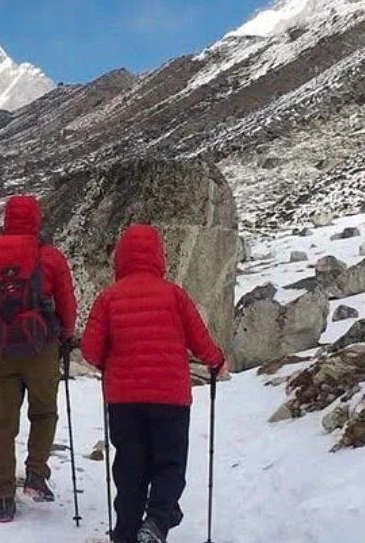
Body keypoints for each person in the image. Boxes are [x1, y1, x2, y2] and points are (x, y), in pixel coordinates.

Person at [81, 224, 227, 543]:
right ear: (158, 257)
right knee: (170, 463)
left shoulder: (108, 298)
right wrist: (216, 360)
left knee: (130, 469)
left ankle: (126, 534)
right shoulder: (174, 295)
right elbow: (200, 341)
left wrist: (113, 361)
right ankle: (158, 522)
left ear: (120, 258)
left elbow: (90, 351)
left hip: (124, 401)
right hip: (170, 399)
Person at [0, 195, 78, 523]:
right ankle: (36, 474)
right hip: (41, 350)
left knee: (3, 424)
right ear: (37, 219)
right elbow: (67, 302)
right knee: (44, 413)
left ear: (7, 218)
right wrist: (66, 334)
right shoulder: (50, 256)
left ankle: (3, 496)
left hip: (0, 352)